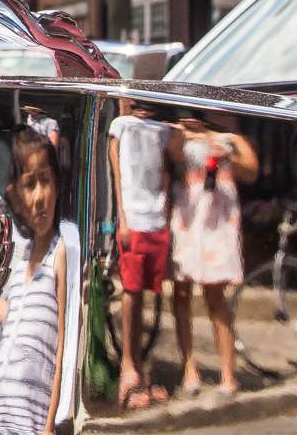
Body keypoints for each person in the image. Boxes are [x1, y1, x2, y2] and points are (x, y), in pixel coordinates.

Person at [0, 128, 68, 435]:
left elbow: (64, 349)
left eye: (46, 180)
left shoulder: (62, 252)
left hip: (32, 421)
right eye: (30, 184)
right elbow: (5, 313)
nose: (41, 195)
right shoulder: (20, 262)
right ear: (15, 198)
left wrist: (49, 426)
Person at [169, 111, 258, 397]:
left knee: (215, 297)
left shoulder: (230, 138)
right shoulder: (178, 132)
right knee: (181, 292)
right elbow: (172, 155)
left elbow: (252, 171)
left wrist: (225, 155)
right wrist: (186, 131)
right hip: (187, 213)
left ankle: (228, 375)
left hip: (217, 220)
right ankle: (189, 369)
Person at [108, 102, 172, 408]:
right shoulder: (121, 126)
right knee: (130, 293)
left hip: (156, 218)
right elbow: (117, 174)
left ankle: (140, 371)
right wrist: (121, 217)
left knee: (147, 293)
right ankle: (128, 368)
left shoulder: (163, 130)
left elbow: (166, 174)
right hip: (132, 218)